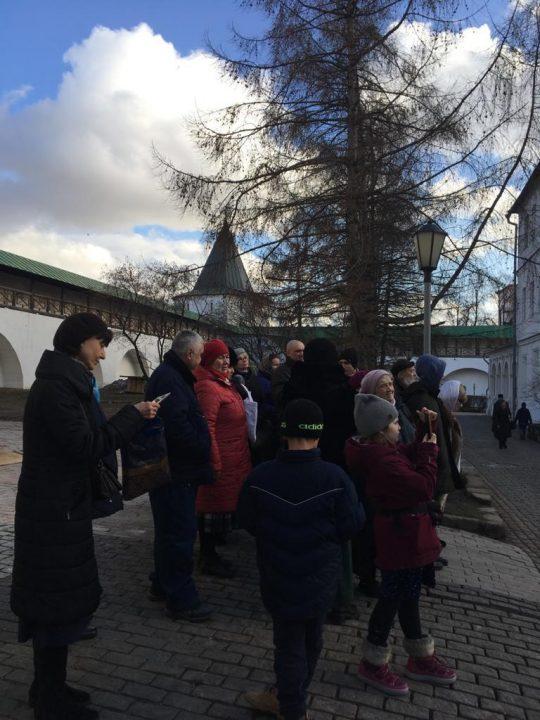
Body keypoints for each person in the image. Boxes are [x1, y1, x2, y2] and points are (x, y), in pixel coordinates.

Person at [11, 313, 158, 720]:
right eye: (100, 343)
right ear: (79, 342)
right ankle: (49, 700)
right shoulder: (57, 389)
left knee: (58, 602)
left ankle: (49, 687)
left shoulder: (66, 383)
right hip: (52, 513)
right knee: (53, 603)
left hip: (60, 508)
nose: (104, 353)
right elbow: (85, 445)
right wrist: (133, 416)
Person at [239, 399, 364, 720]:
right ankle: (290, 701)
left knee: (288, 645)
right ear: (319, 435)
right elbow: (352, 524)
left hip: (277, 577)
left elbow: (247, 520)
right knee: (311, 639)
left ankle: (289, 704)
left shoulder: (261, 476)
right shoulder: (335, 478)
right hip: (321, 580)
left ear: (284, 433)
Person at [347, 394, 457, 696]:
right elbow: (423, 486)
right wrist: (430, 452)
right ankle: (373, 660)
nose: (399, 427)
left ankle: (419, 655)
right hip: (400, 535)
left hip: (405, 532)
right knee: (393, 596)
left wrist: (424, 431)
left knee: (408, 594)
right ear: (381, 431)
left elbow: (407, 453)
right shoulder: (383, 461)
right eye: (395, 423)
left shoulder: (384, 451)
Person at [283, 337, 357, 623]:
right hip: (335, 469)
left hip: (296, 465)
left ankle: (296, 593)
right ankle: (340, 598)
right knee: (335, 535)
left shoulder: (295, 383)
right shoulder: (342, 387)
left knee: (296, 532)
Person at [145, 331, 213, 622]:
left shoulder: (170, 375)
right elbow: (176, 426)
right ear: (189, 354)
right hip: (177, 470)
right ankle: (181, 599)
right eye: (200, 354)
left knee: (169, 532)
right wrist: (201, 446)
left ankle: (163, 583)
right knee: (180, 534)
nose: (201, 359)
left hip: (175, 470)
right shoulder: (171, 379)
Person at [194, 339, 252, 577]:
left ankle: (211, 553)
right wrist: (214, 460)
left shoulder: (223, 383)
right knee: (210, 505)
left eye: (227, 356)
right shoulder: (208, 387)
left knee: (219, 506)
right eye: (220, 357)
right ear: (208, 359)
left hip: (234, 455)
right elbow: (206, 426)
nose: (226, 361)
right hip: (221, 457)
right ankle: (207, 557)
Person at [403, 354, 462, 508]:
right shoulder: (423, 399)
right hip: (433, 469)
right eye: (439, 374)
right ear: (431, 374)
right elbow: (431, 436)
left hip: (435, 467)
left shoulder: (429, 396)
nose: (441, 378)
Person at [361, 369, 415, 444]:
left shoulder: (400, 406)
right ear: (372, 390)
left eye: (390, 384)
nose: (389, 389)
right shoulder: (371, 418)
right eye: (383, 386)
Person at [439, 381, 467, 472]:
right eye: (460, 400)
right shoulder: (442, 417)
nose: (461, 405)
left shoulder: (450, 417)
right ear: (451, 397)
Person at [272, 339, 304, 410]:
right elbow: (280, 397)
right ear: (288, 353)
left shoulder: (306, 369)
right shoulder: (281, 372)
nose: (302, 354)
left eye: (303, 351)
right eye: (298, 351)